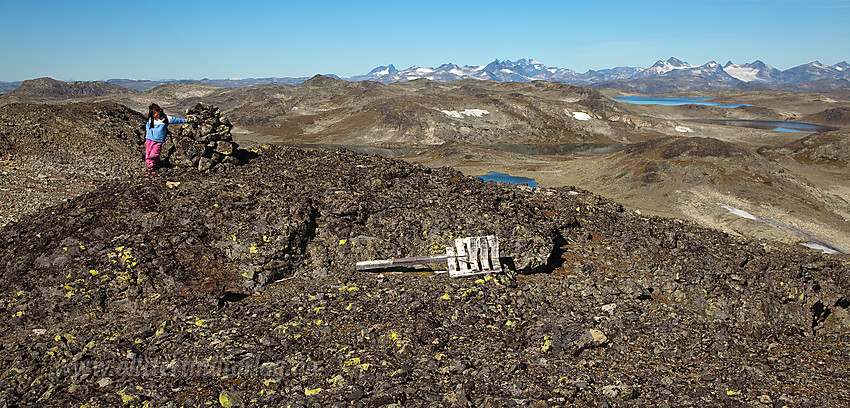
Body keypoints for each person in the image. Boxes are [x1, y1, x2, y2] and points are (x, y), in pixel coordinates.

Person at [144, 103, 188, 175]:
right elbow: (147, 125)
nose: (155, 115)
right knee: (148, 154)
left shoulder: (166, 118)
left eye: (156, 113)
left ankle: (155, 162)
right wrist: (147, 132)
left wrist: (186, 121)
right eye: (153, 114)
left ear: (160, 110)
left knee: (153, 154)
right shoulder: (151, 119)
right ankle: (151, 167)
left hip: (158, 141)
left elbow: (176, 120)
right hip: (149, 139)